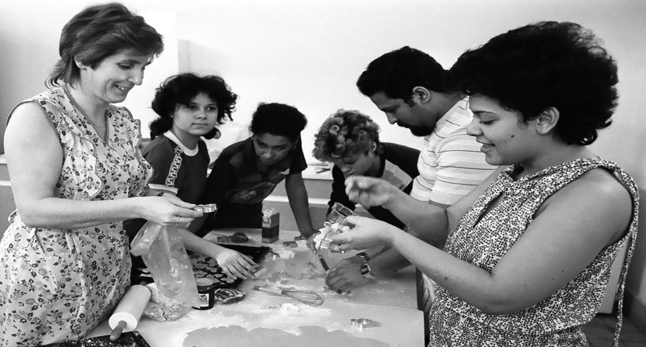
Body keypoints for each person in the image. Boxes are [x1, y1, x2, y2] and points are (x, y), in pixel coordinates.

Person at [330, 21, 638, 346]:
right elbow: (446, 223)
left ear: (545, 119)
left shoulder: (594, 194)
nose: (471, 129)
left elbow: (499, 294)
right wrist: (393, 198)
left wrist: (388, 233)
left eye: (486, 119)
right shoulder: (515, 169)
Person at [0, 4, 202, 345]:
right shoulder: (38, 116)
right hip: (47, 278)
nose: (138, 79)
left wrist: (163, 202)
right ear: (83, 57)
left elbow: (128, 189)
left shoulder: (123, 121)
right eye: (127, 65)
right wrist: (139, 207)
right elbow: (34, 209)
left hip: (107, 272)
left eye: (143, 67)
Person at [326, 47, 495, 296]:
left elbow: (438, 233)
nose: (391, 121)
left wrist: (367, 269)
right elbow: (421, 222)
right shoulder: (442, 128)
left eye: (392, 109)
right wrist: (366, 256)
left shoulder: (462, 135)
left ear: (420, 94)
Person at [125, 72, 257, 279]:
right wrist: (218, 252)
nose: (202, 115)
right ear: (171, 110)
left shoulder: (199, 147)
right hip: (139, 254)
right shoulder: (165, 153)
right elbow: (156, 222)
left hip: (168, 245)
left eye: (210, 108)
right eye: (191, 107)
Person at [198, 102, 317, 239]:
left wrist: (307, 232)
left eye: (279, 148)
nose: (268, 154)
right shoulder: (232, 158)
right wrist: (192, 238)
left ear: (294, 142)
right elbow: (207, 205)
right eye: (261, 145)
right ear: (253, 135)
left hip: (253, 213)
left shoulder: (293, 148)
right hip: (217, 217)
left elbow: (295, 186)